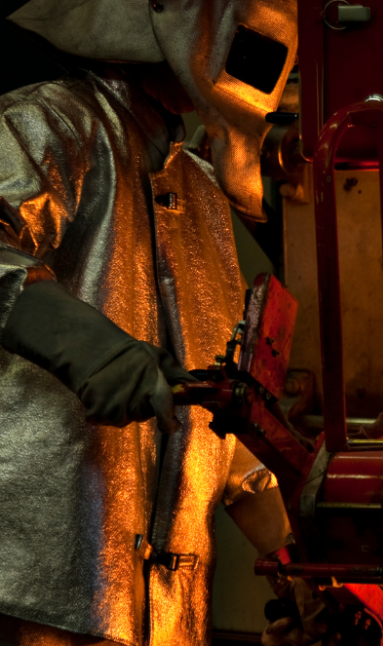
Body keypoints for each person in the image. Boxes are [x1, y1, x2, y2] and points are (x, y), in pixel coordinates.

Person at [0, 0, 299, 643]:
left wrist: (293, 562)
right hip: (33, 596)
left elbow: (215, 412)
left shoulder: (201, 192)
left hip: (163, 617)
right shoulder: (50, 125)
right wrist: (93, 351)